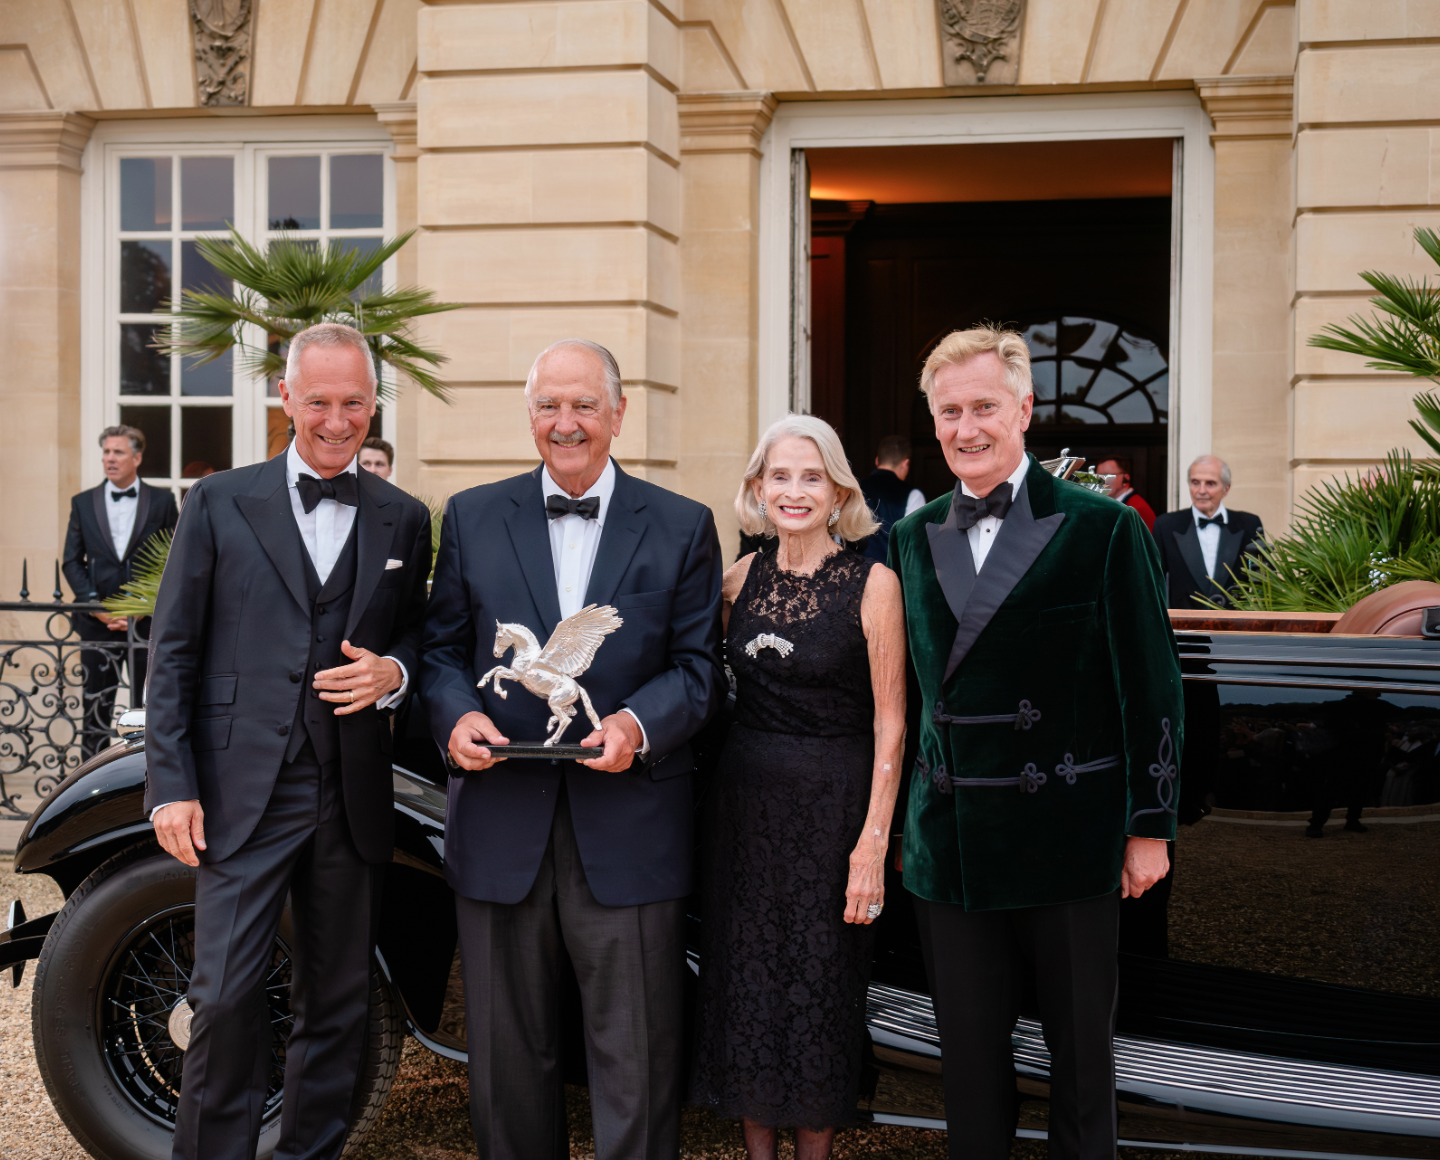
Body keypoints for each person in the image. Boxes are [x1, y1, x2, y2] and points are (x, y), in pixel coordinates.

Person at [420, 338, 725, 1159]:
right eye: (550, 406)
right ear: (529, 417)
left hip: (630, 828)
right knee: (507, 1057)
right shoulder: (474, 517)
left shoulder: (683, 525)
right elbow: (442, 654)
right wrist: (454, 717)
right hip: (498, 822)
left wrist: (635, 724)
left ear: (619, 414)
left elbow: (701, 671)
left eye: (584, 404)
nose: (566, 423)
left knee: (637, 1055)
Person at [887, 326, 1183, 1160]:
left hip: (1068, 839)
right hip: (953, 847)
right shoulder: (912, 539)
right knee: (969, 1076)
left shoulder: (1103, 529)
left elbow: (1152, 686)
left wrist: (1150, 824)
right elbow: (906, 696)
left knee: (1083, 1070)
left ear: (1024, 408)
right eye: (949, 412)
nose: (966, 427)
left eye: (984, 406)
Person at [144, 322, 432, 1160]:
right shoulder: (220, 501)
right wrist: (172, 783)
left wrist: (394, 674)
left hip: (352, 792)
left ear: (373, 402)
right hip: (240, 791)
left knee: (338, 1003)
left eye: (353, 403)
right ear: (286, 400)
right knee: (227, 997)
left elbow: (417, 638)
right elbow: (174, 650)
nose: (337, 421)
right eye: (319, 402)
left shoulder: (404, 520)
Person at [691, 416, 906, 1159]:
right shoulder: (738, 580)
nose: (793, 490)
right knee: (746, 986)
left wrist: (873, 842)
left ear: (839, 488)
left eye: (810, 476)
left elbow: (892, 723)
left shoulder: (875, 584)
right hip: (743, 813)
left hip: (834, 813)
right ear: (756, 489)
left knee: (819, 988)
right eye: (778, 476)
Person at [62, 425, 179, 757]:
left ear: (137, 458)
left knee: (149, 709)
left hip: (146, 625)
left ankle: (146, 778)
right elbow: (71, 561)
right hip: (97, 625)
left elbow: (173, 558)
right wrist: (95, 606)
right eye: (106, 453)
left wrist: (143, 605)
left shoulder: (161, 501)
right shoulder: (83, 503)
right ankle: (88, 789)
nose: (109, 459)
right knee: (95, 709)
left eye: (117, 452)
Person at [1151, 455, 1265, 609]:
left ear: (1226, 489)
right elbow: (1153, 582)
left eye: (1210, 484)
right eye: (1195, 483)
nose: (1201, 491)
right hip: (1184, 629)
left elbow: (1263, 583)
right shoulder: (1166, 525)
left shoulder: (1249, 524)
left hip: (1234, 628)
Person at [860, 434, 926, 562]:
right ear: (906, 463)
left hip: (852, 576)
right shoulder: (913, 496)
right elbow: (915, 547)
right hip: (892, 578)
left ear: (877, 461)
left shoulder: (852, 490)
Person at [1095, 455, 1156, 531]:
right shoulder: (1109, 505)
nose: (1101, 481)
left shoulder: (1137, 509)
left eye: (1107, 476)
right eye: (1098, 477)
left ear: (1125, 478)